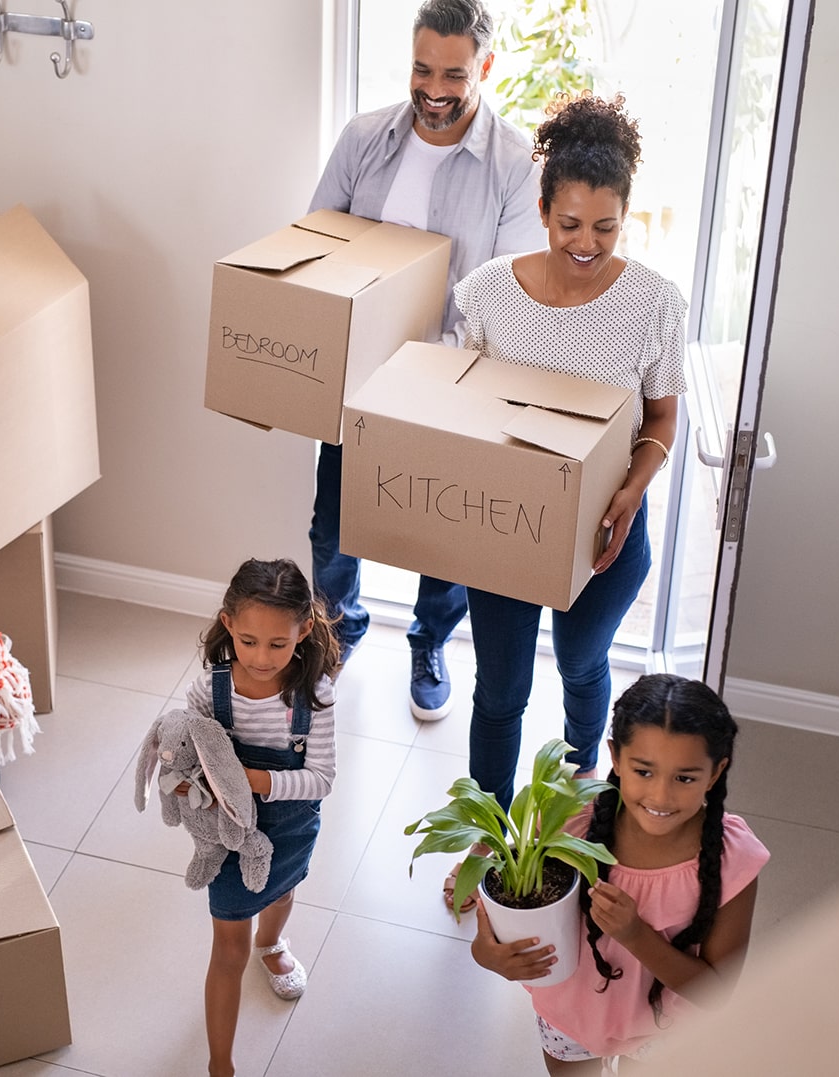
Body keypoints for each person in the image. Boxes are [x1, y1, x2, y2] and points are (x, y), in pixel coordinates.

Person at [445, 91, 687, 909]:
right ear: (543, 211)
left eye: (605, 228)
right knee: (502, 689)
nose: (586, 244)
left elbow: (660, 417)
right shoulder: (486, 294)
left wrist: (628, 490)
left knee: (584, 664)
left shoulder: (654, 303)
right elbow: (459, 404)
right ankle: (484, 840)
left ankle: (585, 783)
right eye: (570, 224)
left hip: (609, 533)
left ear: (626, 220)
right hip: (507, 534)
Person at [308, 0, 547, 721]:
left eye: (453, 72)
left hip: (450, 383)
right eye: (421, 68)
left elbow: (503, 293)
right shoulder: (363, 139)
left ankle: (428, 640)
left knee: (442, 536)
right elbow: (317, 243)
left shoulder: (514, 163)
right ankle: (337, 630)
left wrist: (428, 369)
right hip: (357, 378)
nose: (433, 88)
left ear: (486, 66)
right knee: (332, 522)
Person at [470, 674, 770, 1072]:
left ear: (715, 774)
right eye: (644, 771)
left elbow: (717, 992)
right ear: (615, 756)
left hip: (666, 1031)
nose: (661, 796)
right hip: (568, 1016)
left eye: (685, 778)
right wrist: (488, 955)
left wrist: (635, 935)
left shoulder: (734, 861)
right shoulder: (566, 824)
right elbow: (504, 921)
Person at [181, 558, 339, 1077]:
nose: (262, 657)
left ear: (305, 630)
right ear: (228, 624)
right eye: (248, 641)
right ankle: (220, 1065)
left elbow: (321, 779)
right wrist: (186, 782)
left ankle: (271, 943)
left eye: (278, 643)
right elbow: (188, 754)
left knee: (283, 891)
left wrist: (256, 781)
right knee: (228, 947)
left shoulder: (313, 697)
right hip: (230, 833)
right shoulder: (209, 690)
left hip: (291, 825)